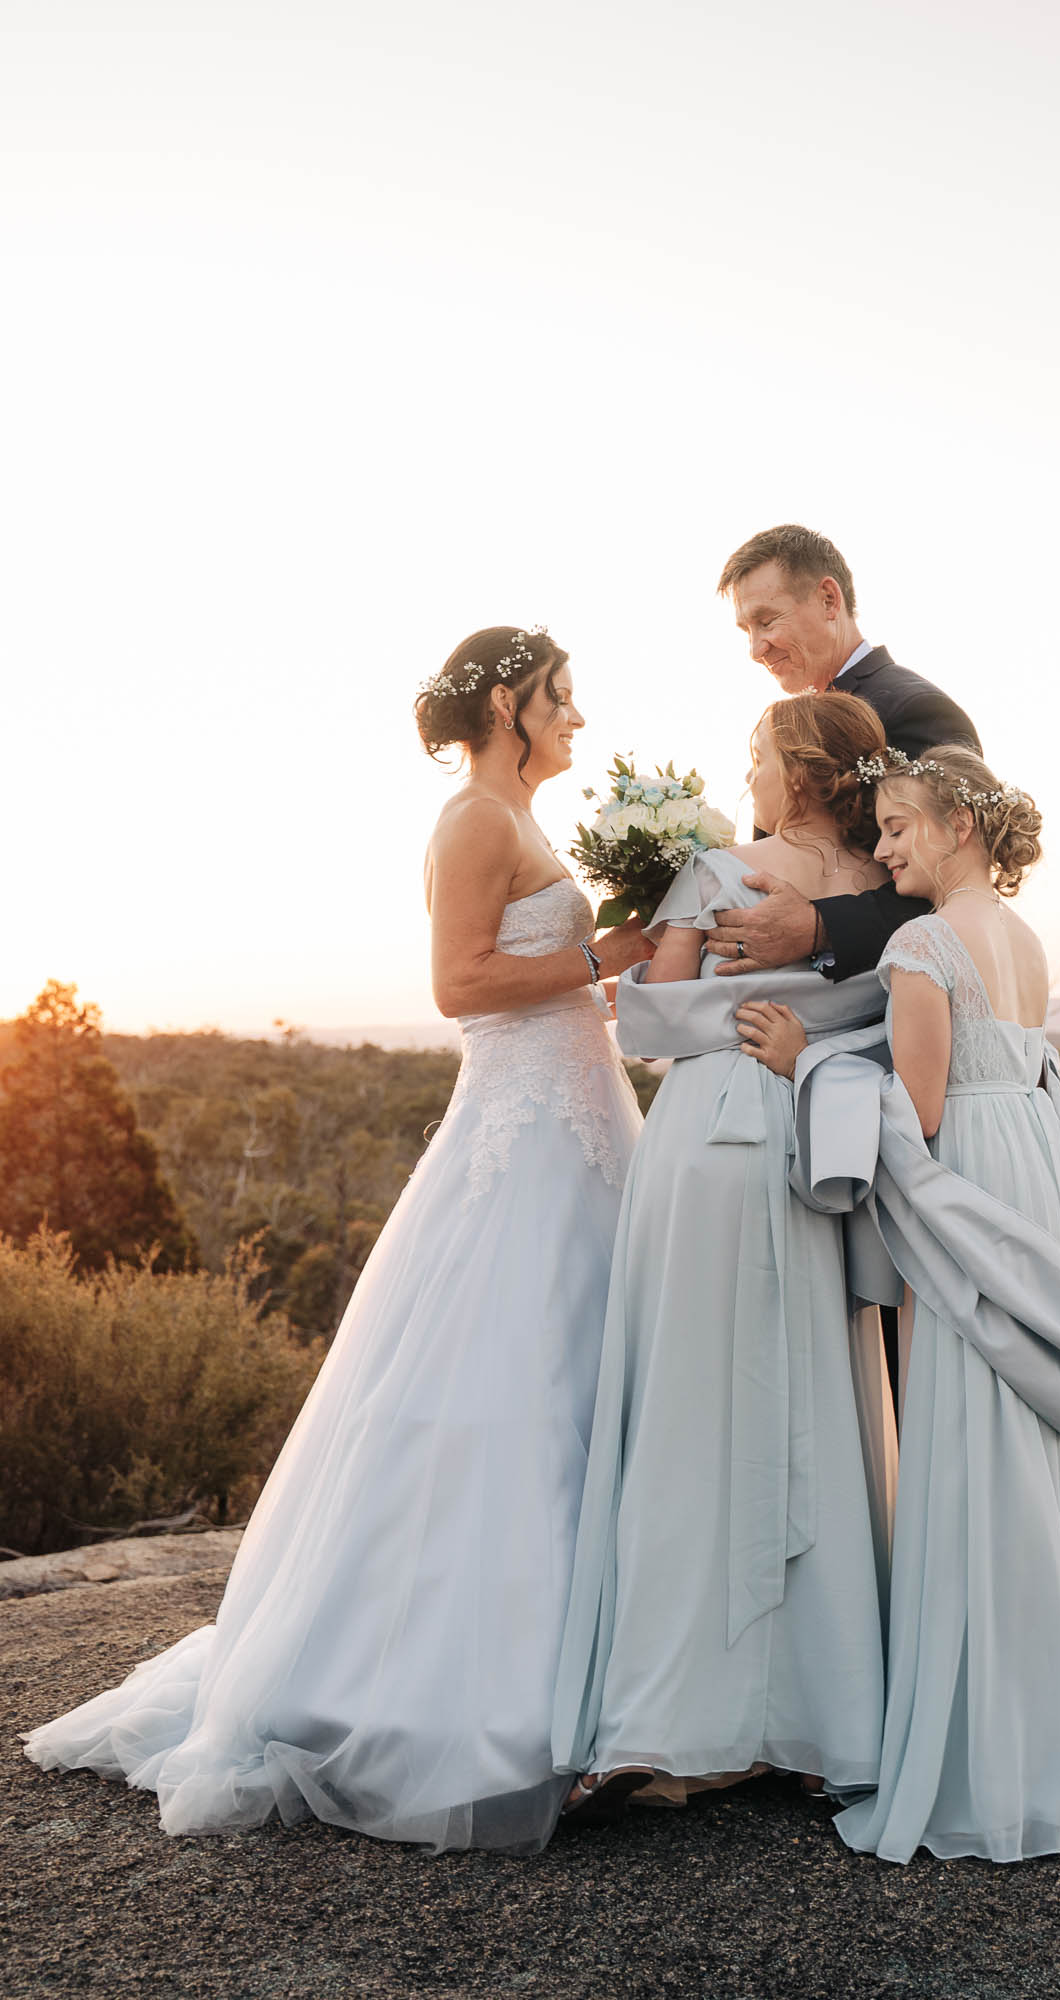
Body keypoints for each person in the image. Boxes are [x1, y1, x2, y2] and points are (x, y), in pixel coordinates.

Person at [24, 626, 651, 1855]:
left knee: (584, 1381)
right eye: (563, 697)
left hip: (578, 1119)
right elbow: (459, 986)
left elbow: (551, 976)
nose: (579, 716)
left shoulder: (520, 819)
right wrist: (598, 957)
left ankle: (597, 1678)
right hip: (517, 1137)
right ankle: (461, 1694)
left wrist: (624, 975)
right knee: (504, 1382)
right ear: (510, 705)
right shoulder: (473, 818)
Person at [737, 744, 1060, 1863]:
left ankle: (984, 1750)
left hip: (969, 1184)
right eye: (877, 828)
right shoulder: (1020, 940)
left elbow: (915, 1109)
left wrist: (802, 1064)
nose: (882, 850)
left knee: (970, 1443)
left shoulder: (924, 944)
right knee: (1023, 1449)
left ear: (960, 827)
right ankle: (1055, 1723)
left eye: (897, 825)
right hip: (1026, 1179)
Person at [552, 693, 898, 1818]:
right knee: (806, 1402)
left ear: (796, 770)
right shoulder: (889, 899)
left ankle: (675, 1723)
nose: (743, 774)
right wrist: (808, 1013)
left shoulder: (714, 869)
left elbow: (648, 1019)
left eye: (755, 754)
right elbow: (888, 1013)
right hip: (813, 1134)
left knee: (694, 1411)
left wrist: (706, 996)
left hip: (706, 1144)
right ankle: (819, 1716)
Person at [709, 523, 982, 983]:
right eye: (746, 629)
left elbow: (956, 873)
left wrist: (821, 926)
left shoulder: (914, 709)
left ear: (829, 600)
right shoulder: (783, 728)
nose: (756, 648)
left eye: (767, 620)